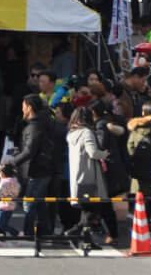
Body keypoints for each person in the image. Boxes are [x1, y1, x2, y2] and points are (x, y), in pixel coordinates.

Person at [6, 94, 58, 238]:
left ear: (29, 107)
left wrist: (12, 162)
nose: (22, 109)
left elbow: (29, 150)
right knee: (39, 203)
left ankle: (29, 233)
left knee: (29, 203)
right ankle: (45, 231)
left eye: (23, 105)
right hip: (41, 168)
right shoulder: (39, 123)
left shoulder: (34, 126)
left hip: (37, 170)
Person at [65, 104, 115, 247]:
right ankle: (74, 232)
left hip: (77, 178)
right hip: (90, 176)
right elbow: (92, 152)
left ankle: (87, 240)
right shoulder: (86, 132)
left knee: (87, 211)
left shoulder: (71, 134)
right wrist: (104, 154)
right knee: (93, 210)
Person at [0, 162, 21, 237]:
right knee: (3, 223)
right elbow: (17, 192)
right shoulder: (15, 181)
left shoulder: (4, 182)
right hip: (11, 206)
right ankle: (2, 237)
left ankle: (16, 233)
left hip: (2, 206)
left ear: (2, 173)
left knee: (1, 224)